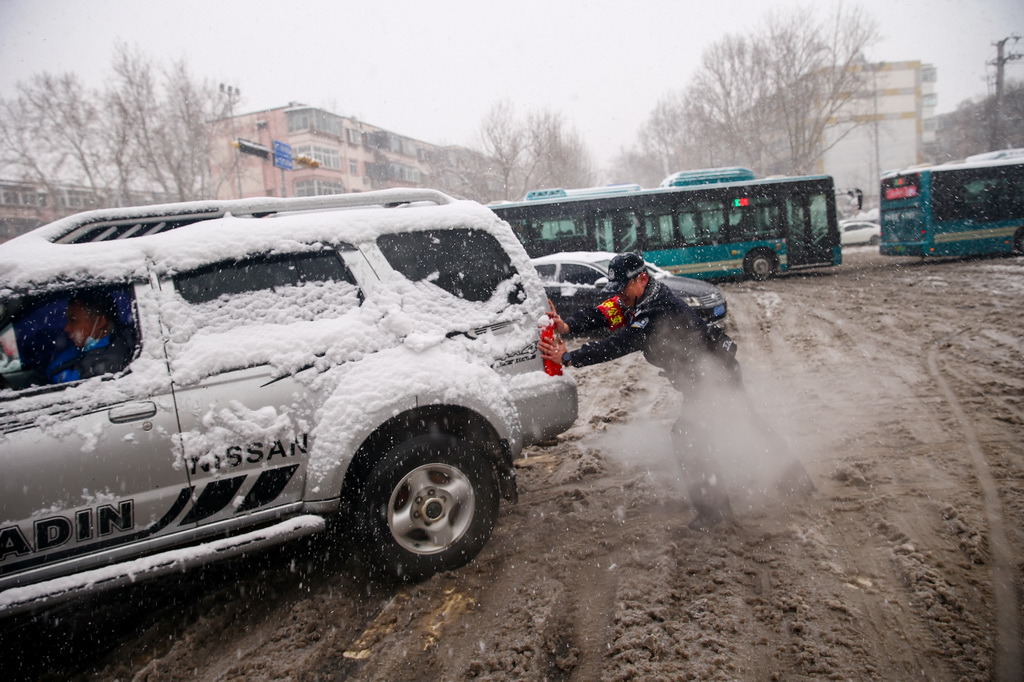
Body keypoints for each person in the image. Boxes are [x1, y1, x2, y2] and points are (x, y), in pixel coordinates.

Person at [540, 252, 793, 531]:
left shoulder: (657, 309)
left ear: (641, 279)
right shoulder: (637, 299)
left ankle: (716, 513)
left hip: (715, 376)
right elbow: (604, 312)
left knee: (691, 437)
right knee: (743, 425)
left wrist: (569, 357)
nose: (619, 296)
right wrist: (569, 325)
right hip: (704, 377)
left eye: (623, 289)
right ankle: (793, 480)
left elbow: (621, 343)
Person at [45, 291, 134, 383]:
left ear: (100, 322)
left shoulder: (108, 364)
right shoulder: (88, 346)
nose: (66, 328)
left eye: (73, 320)